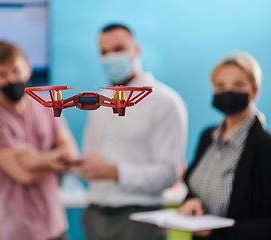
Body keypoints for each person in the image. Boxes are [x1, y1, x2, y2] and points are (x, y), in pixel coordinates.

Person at [80, 24, 188, 240]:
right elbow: (90, 163)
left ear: (136, 49)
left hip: (140, 221)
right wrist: (70, 164)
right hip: (95, 217)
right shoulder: (98, 104)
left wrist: (115, 172)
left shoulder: (165, 102)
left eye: (118, 48)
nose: (111, 57)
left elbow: (168, 173)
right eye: (104, 52)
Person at [0, 40, 79, 240]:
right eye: (2, 75)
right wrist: (57, 159)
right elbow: (24, 174)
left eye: (16, 71)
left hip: (54, 226)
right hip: (14, 231)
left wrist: (40, 159)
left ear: (28, 68)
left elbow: (73, 155)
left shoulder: (47, 106)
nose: (11, 79)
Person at [178, 52, 271, 240]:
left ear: (254, 91)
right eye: (220, 86)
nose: (228, 91)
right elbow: (195, 188)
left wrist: (219, 232)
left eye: (238, 85)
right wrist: (191, 202)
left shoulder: (265, 147)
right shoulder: (207, 136)